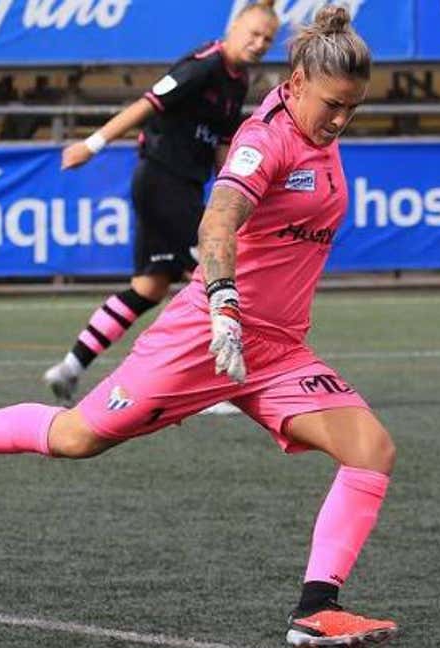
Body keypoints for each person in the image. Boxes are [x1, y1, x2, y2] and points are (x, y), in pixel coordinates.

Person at [0, 7, 398, 647]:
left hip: (278, 350)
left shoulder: (322, 136)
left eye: (353, 108)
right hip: (207, 337)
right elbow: (217, 221)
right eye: (334, 104)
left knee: (371, 450)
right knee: (75, 438)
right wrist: (223, 304)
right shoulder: (269, 138)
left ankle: (315, 611)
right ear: (295, 83)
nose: (341, 119)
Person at [42, 1, 280, 409]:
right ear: (234, 27)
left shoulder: (237, 80)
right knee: (210, 274)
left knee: (149, 287)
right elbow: (146, 103)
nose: (258, 43)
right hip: (161, 180)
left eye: (267, 39)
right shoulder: (204, 64)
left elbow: (223, 147)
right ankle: (210, 384)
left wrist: (241, 193)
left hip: (184, 188)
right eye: (253, 33)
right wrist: (92, 144)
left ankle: (70, 367)